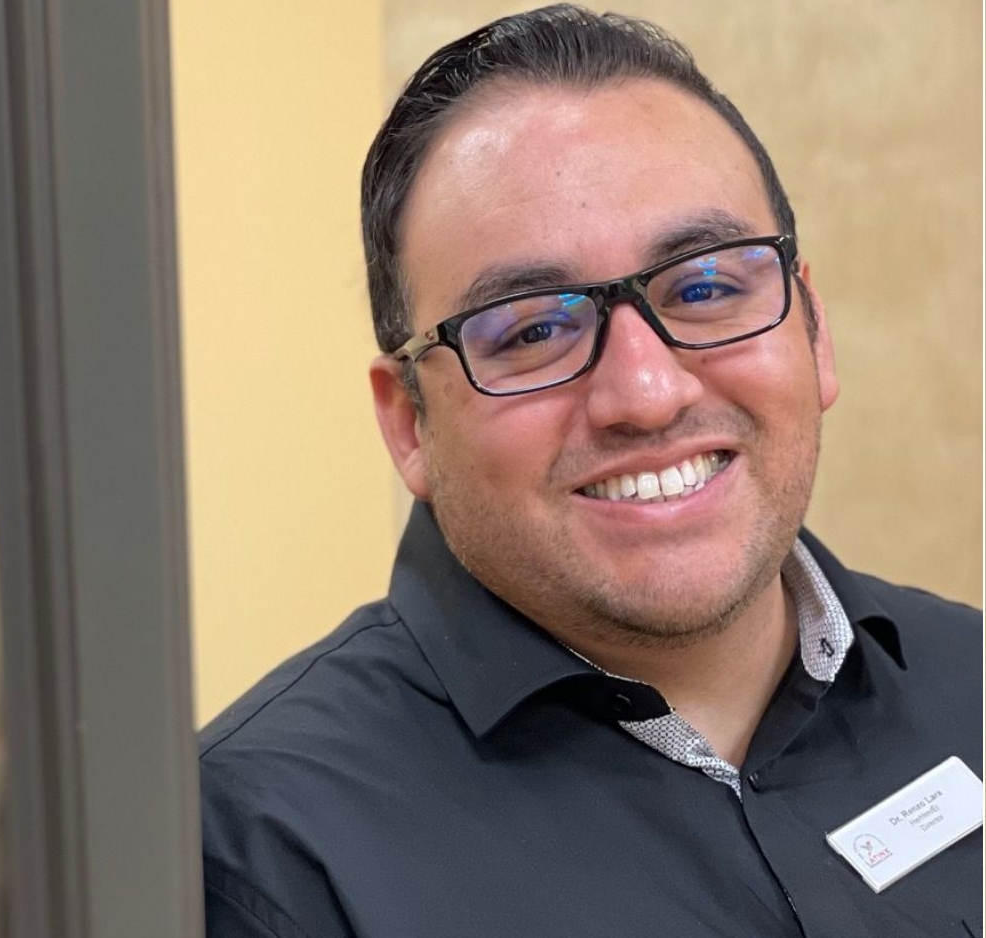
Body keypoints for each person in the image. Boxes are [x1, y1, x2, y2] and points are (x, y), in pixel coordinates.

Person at [198, 7, 981, 937]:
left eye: (702, 288)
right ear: (408, 420)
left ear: (812, 330)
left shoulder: (969, 682)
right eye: (532, 329)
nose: (646, 394)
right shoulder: (254, 855)